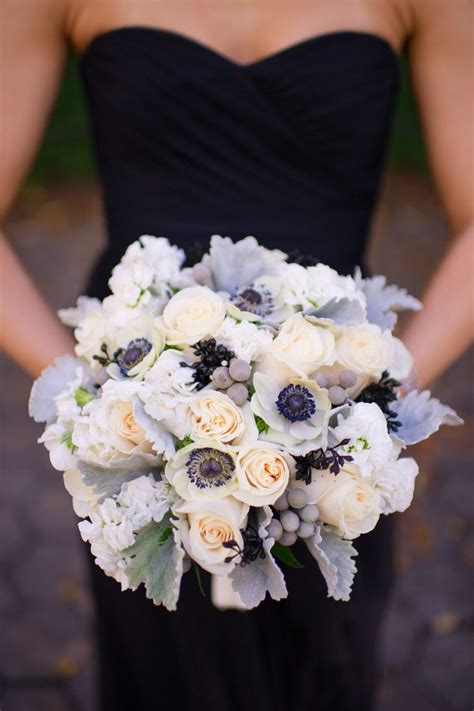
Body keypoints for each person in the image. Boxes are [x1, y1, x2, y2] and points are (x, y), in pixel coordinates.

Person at [1, 2, 472, 709]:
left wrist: (370, 411)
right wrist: (97, 402)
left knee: (326, 659)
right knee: (157, 665)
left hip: (338, 412)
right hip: (135, 424)